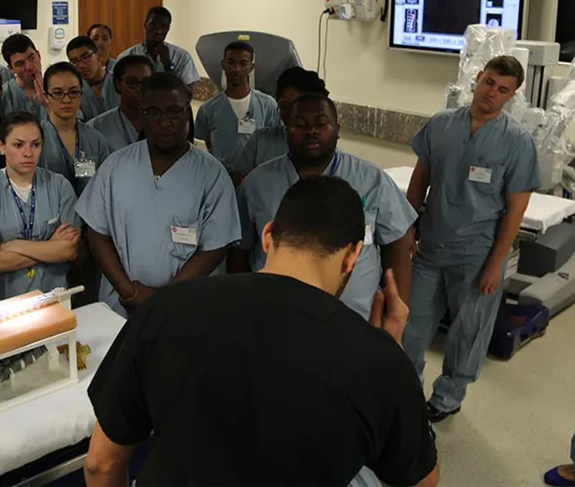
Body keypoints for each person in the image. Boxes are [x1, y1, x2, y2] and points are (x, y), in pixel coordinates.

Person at [84, 176, 440, 487]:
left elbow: (100, 464)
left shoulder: (167, 308)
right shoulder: (373, 359)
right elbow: (421, 480)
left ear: (268, 236)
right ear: (353, 256)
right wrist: (393, 356)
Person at [403, 55, 540, 423]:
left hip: (478, 253)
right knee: (411, 324)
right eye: (490, 83)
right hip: (431, 244)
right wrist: (406, 228)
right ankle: (406, 390)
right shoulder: (442, 125)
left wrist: (496, 264)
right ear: (478, 78)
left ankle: (448, 397)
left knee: (468, 331)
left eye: (503, 90)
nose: (492, 93)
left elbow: (515, 210)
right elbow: (420, 180)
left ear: (512, 96)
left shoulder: (516, 142)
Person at [229, 93, 416, 322]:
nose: (311, 131)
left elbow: (397, 243)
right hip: (275, 315)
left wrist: (395, 312)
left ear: (337, 129)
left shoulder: (371, 179)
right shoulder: (257, 184)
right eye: (300, 125)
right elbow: (240, 250)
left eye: (321, 124)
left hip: (354, 319)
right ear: (286, 128)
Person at [75, 72, 240, 317]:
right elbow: (97, 232)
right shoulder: (115, 166)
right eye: (154, 112)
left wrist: (165, 298)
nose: (165, 122)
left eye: (174, 111)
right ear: (142, 114)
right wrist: (129, 292)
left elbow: (215, 246)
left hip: (185, 307)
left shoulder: (211, 174)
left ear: (187, 113)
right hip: (122, 304)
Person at [0, 112, 81, 305]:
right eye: (18, 145)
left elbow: (69, 250)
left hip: (53, 297)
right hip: (3, 303)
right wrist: (50, 247)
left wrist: (12, 245)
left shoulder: (59, 186)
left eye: (35, 145)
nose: (28, 153)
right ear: (1, 146)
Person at [232, 67, 329, 184]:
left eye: (297, 107)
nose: (291, 113)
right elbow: (239, 179)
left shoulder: (324, 145)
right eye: (284, 107)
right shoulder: (261, 140)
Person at [195, 42, 280, 172]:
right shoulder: (208, 109)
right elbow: (208, 144)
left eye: (243, 63)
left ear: (251, 67)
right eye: (231, 63)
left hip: (256, 177)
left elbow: (274, 144)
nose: (237, 69)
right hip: (222, 177)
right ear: (223, 65)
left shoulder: (268, 105)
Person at [40, 62, 112, 196]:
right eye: (57, 93)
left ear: (81, 94)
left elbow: (106, 186)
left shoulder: (95, 140)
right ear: (46, 97)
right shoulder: (36, 138)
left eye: (73, 92)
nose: (66, 100)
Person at [117, 7, 200, 87]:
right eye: (153, 25)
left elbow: (187, 94)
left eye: (163, 27)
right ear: (145, 25)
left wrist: (168, 65)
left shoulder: (182, 57)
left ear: (168, 29)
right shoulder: (127, 56)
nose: (158, 31)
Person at [87, 55, 154, 151]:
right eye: (132, 82)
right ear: (118, 84)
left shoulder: (164, 123)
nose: (140, 88)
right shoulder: (95, 128)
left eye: (147, 82)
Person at [66, 36, 120, 122]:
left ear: (98, 55)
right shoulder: (74, 90)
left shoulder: (119, 82)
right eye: (74, 61)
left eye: (86, 57)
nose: (81, 65)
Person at [0, 34, 46, 121]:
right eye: (20, 64)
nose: (29, 67)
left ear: (39, 55)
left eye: (32, 58)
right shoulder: (4, 96)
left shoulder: (56, 88)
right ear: (11, 69)